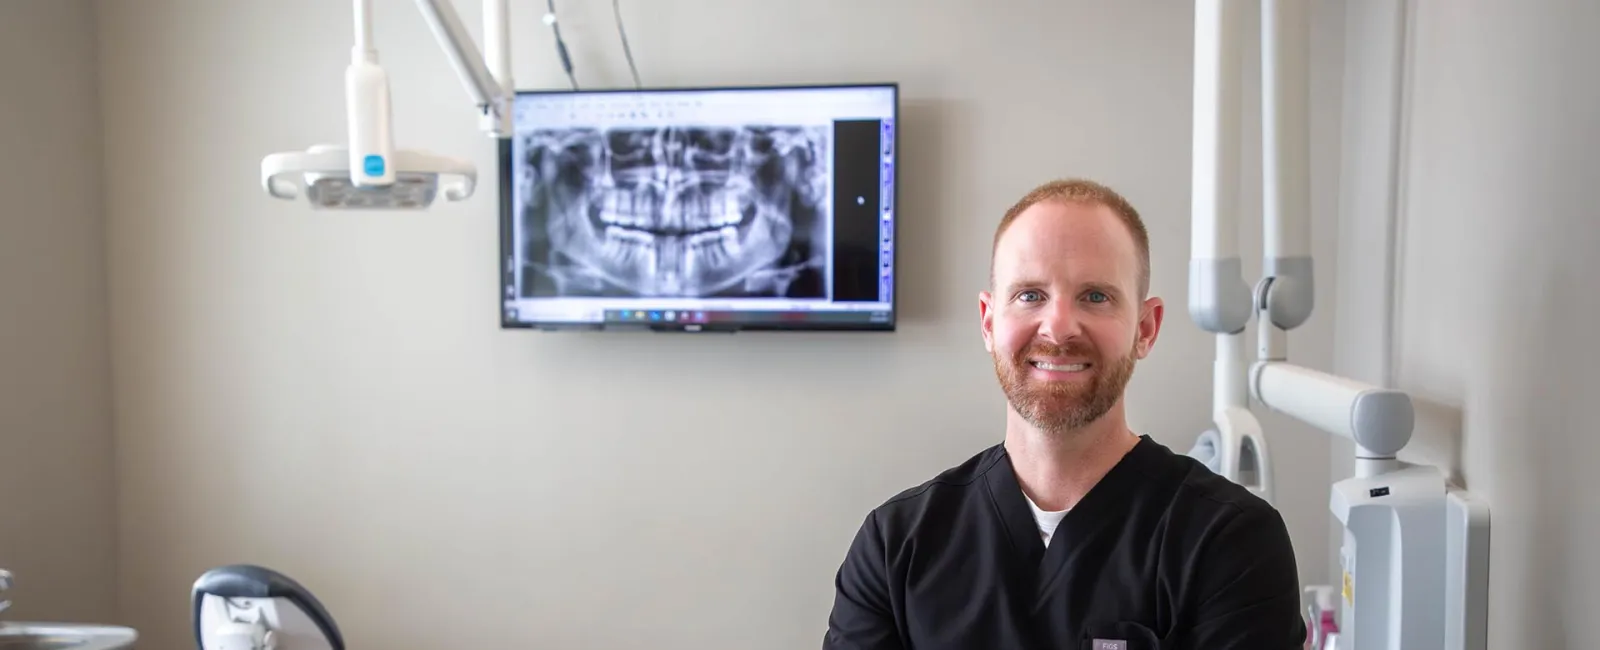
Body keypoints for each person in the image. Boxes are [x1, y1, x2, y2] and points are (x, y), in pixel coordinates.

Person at [821, 178, 1306, 650]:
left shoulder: (1229, 542)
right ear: (989, 322)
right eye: (1030, 295)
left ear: (1146, 328)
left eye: (1096, 296)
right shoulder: (895, 546)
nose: (1058, 328)